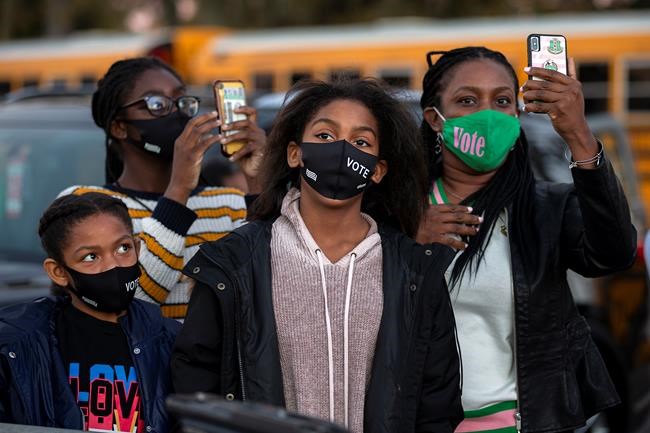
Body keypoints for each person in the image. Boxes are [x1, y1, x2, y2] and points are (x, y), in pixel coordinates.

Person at [171, 79, 463, 433]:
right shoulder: (232, 264)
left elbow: (436, 403)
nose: (342, 151)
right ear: (295, 154)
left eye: (360, 142)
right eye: (325, 136)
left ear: (377, 169)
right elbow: (198, 385)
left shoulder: (415, 271)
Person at [416, 46, 637, 433]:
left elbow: (613, 254)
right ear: (436, 119)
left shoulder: (545, 210)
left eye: (502, 101)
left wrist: (577, 132)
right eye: (467, 100)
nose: (487, 115)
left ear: (516, 116)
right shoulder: (397, 214)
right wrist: (404, 239)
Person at [60, 57, 265, 320]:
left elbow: (264, 285)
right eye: (156, 104)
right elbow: (131, 303)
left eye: (182, 102)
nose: (176, 113)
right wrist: (178, 188)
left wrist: (258, 179)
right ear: (119, 127)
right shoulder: (87, 204)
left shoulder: (230, 204)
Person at [0, 193, 180, 433]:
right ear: (58, 272)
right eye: (91, 257)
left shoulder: (170, 340)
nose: (113, 266)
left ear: (137, 248)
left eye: (123, 248)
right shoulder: (17, 346)